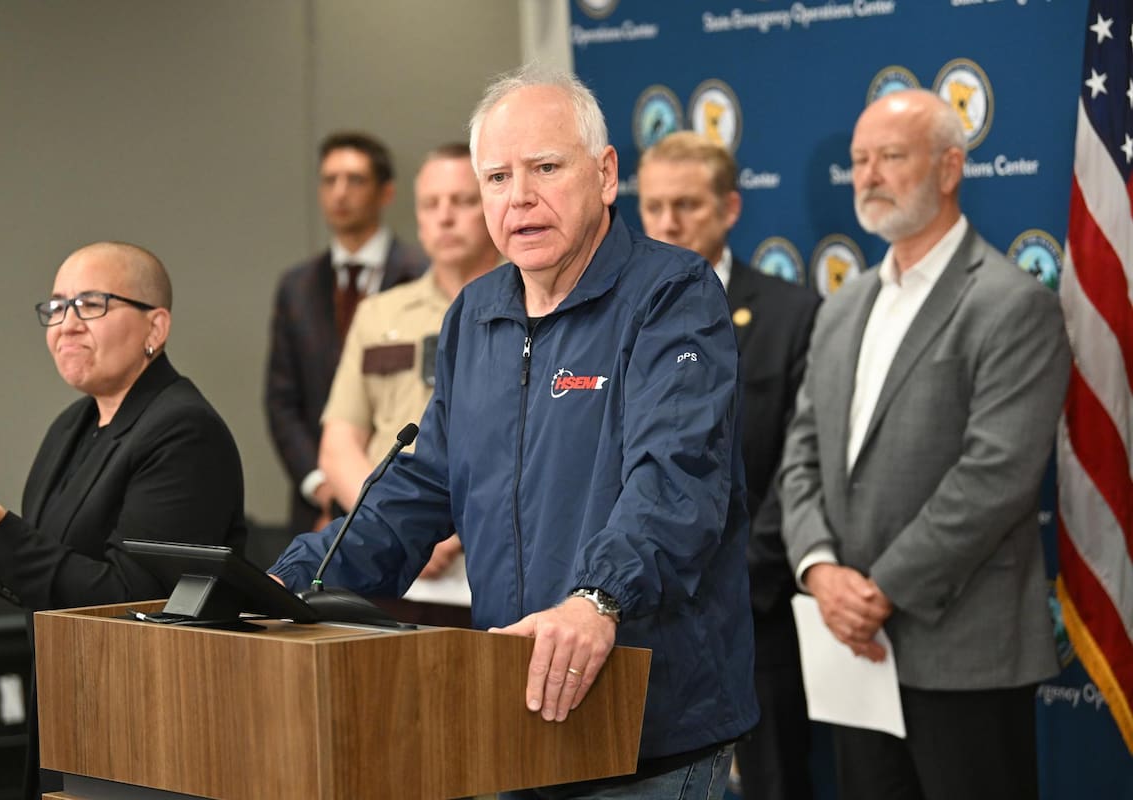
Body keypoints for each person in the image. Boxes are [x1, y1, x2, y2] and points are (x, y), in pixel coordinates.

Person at [270, 65, 757, 799]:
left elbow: (676, 479)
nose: (519, 198)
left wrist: (598, 599)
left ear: (604, 174)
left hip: (647, 727)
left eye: (545, 168)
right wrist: (291, 580)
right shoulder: (476, 311)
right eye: (496, 178)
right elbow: (424, 481)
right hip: (516, 712)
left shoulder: (673, 294)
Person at [778, 89, 1070, 800]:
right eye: (858, 161)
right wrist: (819, 570)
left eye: (891, 157)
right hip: (851, 648)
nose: (868, 176)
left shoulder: (1010, 303)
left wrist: (880, 590)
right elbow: (802, 453)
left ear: (948, 168)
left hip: (962, 650)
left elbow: (997, 477)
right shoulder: (842, 308)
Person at [0, 241, 248, 798]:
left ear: (157, 326)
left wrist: (2, 531)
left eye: (92, 304)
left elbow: (131, 599)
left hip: (144, 725)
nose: (66, 325)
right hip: (67, 700)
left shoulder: (182, 431)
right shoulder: (71, 426)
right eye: (55, 308)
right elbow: (49, 577)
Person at [638, 131, 819, 800]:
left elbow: (804, 466)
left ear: (730, 208)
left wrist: (736, 581)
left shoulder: (792, 315)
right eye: (653, 207)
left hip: (753, 614)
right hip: (638, 617)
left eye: (685, 204)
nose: (666, 223)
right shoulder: (609, 319)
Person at [318, 142, 500, 627]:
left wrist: (444, 527)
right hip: (384, 564)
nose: (445, 218)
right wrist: (396, 520)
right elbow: (339, 445)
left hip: (489, 561)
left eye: (462, 202)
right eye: (430, 204)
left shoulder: (531, 308)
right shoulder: (380, 313)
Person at [266, 131, 427, 534]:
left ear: (385, 192)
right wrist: (324, 487)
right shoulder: (297, 286)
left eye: (355, 180)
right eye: (329, 180)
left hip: (409, 501)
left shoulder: (424, 274)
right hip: (319, 509)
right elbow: (282, 401)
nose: (340, 193)